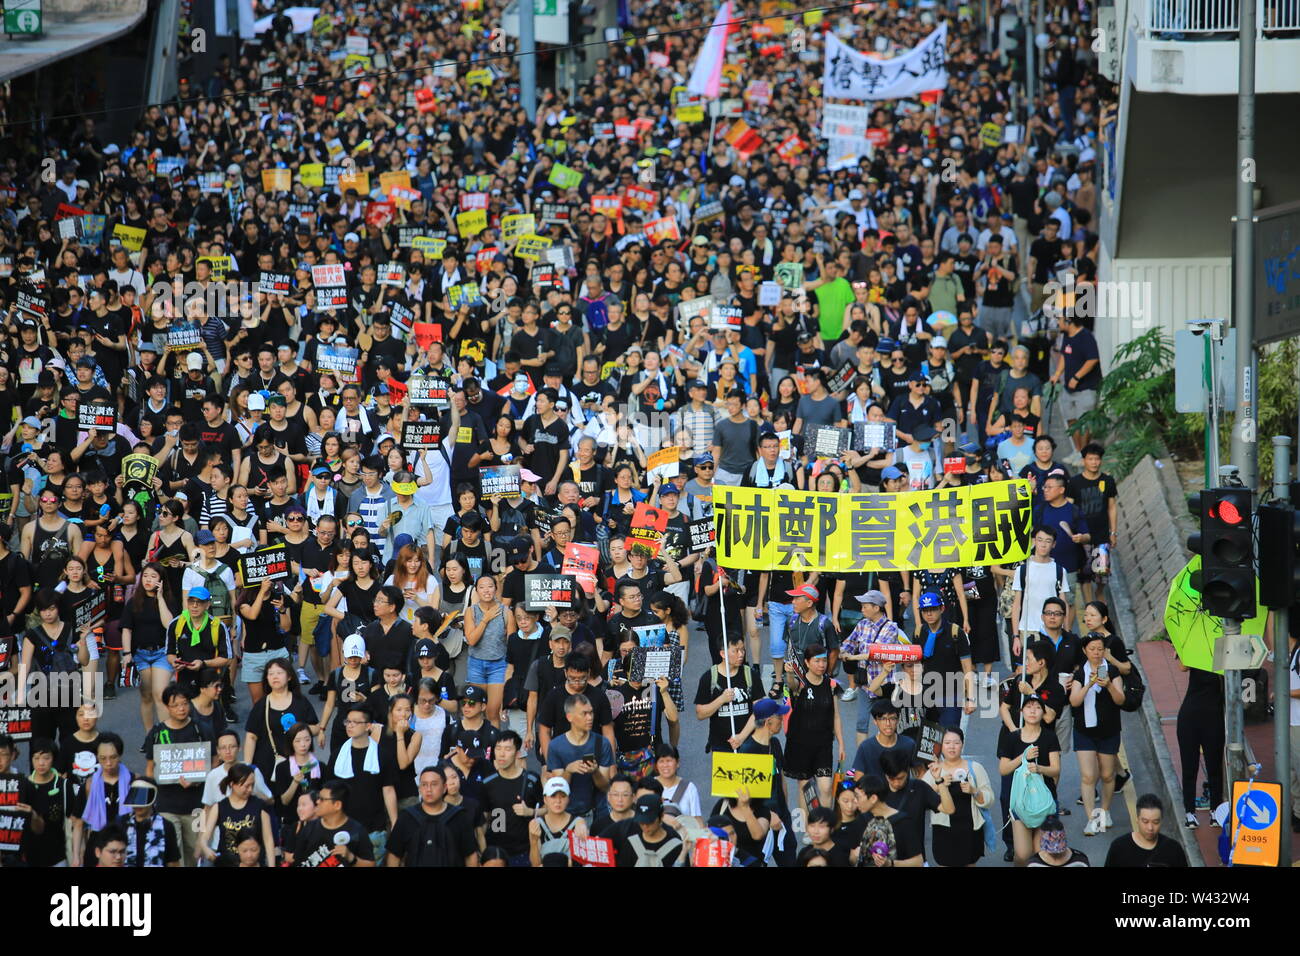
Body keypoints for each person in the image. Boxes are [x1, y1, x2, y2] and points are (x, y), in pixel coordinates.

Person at [1069, 631, 1127, 836]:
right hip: (1084, 731)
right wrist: (1089, 684)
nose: (1096, 653)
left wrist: (1108, 685)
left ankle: (1105, 810)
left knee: (1107, 774)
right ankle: (1091, 818)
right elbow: (1074, 701)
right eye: (1092, 649)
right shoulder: (1079, 674)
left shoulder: (1112, 671)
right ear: (1085, 650)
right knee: (1088, 776)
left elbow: (1120, 700)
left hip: (1109, 730)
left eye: (1100, 649)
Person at [997, 695, 1061, 865]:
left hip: (1044, 803)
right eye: (1028, 707)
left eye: (1037, 707)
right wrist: (1023, 757)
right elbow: (1003, 769)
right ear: (1021, 712)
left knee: (1042, 854)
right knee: (1023, 854)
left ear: (1043, 713)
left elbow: (1056, 769)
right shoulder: (1011, 738)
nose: (1033, 711)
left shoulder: (1050, 737)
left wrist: (1040, 769)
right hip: (1021, 801)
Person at [783, 643, 846, 813]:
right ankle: (807, 828)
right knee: (806, 788)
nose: (821, 665)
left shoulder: (831, 685)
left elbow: (836, 716)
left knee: (825, 787)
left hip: (823, 744)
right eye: (817, 661)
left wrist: (841, 743)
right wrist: (789, 673)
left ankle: (826, 824)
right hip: (800, 744)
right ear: (807, 662)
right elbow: (792, 685)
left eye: (824, 661)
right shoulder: (800, 684)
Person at [920, 727, 994, 868]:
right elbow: (920, 798)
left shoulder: (975, 768)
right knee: (944, 862)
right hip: (943, 830)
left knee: (969, 863)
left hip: (970, 829)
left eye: (956, 743)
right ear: (941, 746)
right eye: (947, 743)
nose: (952, 747)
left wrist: (974, 791)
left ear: (962, 744)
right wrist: (938, 785)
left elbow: (990, 799)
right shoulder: (934, 770)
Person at [385, 765, 480, 867]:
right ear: (420, 789)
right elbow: (394, 856)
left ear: (444, 788)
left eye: (434, 784)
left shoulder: (459, 817)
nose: (428, 789)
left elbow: (470, 856)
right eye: (424, 785)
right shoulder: (407, 817)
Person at [545, 694, 615, 820]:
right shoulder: (556, 746)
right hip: (567, 816)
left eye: (591, 713)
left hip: (596, 814)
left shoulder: (602, 743)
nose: (590, 718)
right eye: (584, 714)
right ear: (569, 717)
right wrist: (568, 771)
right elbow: (558, 789)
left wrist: (595, 772)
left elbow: (605, 787)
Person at [197, 762, 276, 867]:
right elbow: (205, 836)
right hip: (226, 863)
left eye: (252, 785)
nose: (250, 790)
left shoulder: (259, 806)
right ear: (232, 784)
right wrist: (205, 848)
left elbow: (268, 840)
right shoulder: (220, 807)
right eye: (246, 786)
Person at [289, 780, 376, 867]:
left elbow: (371, 864)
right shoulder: (309, 828)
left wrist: (351, 858)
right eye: (318, 798)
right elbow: (297, 861)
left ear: (337, 805)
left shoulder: (356, 831)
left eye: (322, 799)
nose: (317, 802)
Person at [849, 774, 924, 867]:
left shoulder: (904, 823)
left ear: (873, 798)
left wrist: (890, 863)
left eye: (858, 797)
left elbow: (918, 862)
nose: (855, 801)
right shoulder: (862, 819)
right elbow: (852, 857)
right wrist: (854, 856)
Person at [1104, 793, 1189, 867]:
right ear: (1137, 819)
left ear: (1161, 821)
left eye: (1155, 822)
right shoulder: (1119, 847)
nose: (1150, 828)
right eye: (1145, 821)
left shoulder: (1173, 849)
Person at [120, 777, 182, 867]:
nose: (138, 805)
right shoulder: (121, 823)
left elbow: (172, 861)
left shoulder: (166, 826)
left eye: (142, 799)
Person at [615, 794, 685, 866]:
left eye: (650, 822)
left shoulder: (676, 845)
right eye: (641, 822)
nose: (645, 826)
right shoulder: (630, 843)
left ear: (661, 816)